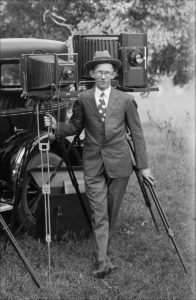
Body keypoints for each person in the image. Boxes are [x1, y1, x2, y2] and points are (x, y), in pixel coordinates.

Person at [44, 50, 154, 278]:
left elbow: (137, 133)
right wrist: (56, 126)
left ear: (113, 74)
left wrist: (143, 166)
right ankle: (101, 262)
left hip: (120, 165)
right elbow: (75, 127)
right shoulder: (83, 98)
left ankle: (104, 252)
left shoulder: (125, 100)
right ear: (92, 74)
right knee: (99, 212)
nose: (103, 76)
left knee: (110, 213)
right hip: (93, 163)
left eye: (107, 72)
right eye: (99, 72)